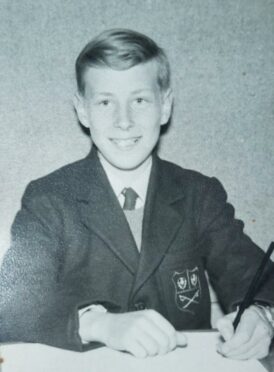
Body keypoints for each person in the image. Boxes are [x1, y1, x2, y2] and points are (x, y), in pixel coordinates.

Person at [0, 28, 273, 360]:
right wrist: (97, 324)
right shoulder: (48, 198)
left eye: (140, 100)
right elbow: (12, 303)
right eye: (105, 102)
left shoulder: (199, 195)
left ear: (165, 107)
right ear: (83, 110)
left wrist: (261, 314)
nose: (124, 121)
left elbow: (253, 274)